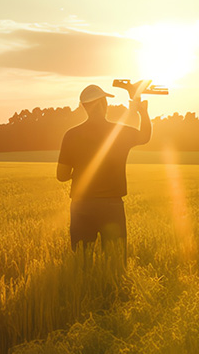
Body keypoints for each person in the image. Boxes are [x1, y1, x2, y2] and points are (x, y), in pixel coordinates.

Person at [56, 84, 152, 258]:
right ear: (103, 104)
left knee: (81, 261)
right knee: (114, 263)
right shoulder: (119, 132)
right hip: (112, 206)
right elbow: (145, 136)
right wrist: (142, 112)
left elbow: (61, 176)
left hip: (81, 206)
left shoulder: (71, 135)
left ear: (84, 107)